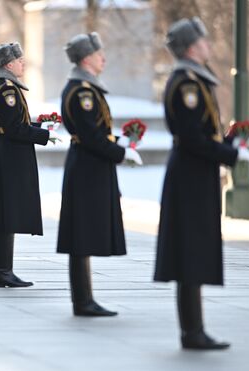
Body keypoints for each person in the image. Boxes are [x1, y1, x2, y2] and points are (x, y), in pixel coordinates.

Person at [154, 17, 249, 350]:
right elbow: (191, 138)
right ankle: (192, 331)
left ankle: (194, 329)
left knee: (193, 251)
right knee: (190, 252)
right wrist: (230, 155)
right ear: (191, 48)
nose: (208, 46)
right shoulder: (187, 84)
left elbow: (203, 135)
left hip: (195, 173)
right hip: (190, 175)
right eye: (202, 42)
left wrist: (231, 143)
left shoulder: (195, 80)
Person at [57, 32, 142, 316]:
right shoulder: (82, 91)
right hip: (87, 167)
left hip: (89, 165)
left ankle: (85, 299)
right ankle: (82, 301)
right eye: (97, 54)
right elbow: (91, 136)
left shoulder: (87, 88)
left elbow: (97, 134)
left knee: (83, 235)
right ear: (85, 59)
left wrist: (119, 144)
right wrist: (119, 152)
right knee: (81, 236)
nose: (103, 58)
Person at [0, 42, 61, 288]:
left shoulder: (5, 87)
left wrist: (42, 128)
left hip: (10, 155)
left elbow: (17, 124)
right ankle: (2, 272)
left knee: (8, 215)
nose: (23, 63)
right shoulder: (6, 90)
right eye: (19, 60)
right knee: (8, 216)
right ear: (9, 64)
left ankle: (3, 271)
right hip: (12, 157)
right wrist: (43, 135)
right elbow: (15, 128)